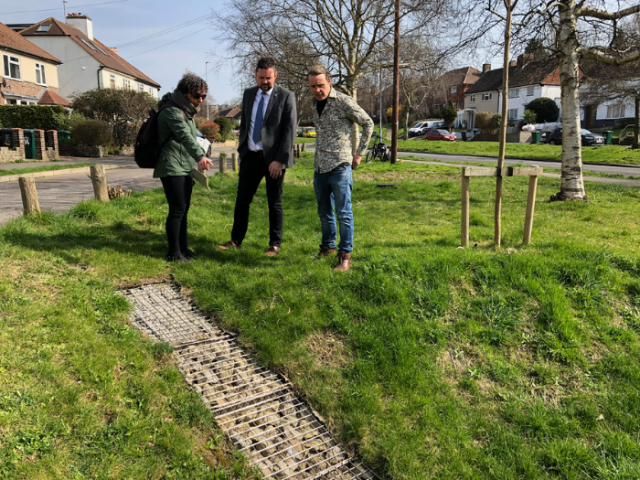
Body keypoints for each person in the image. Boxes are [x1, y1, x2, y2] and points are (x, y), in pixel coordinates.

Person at [218, 57, 297, 256]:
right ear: (255, 75)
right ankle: (236, 240)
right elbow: (245, 123)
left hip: (274, 161)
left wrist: (280, 159)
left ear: (275, 75)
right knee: (242, 200)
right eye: (261, 77)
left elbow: (289, 130)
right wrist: (242, 149)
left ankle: (274, 244)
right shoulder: (248, 94)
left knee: (274, 202)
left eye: (268, 78)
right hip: (250, 157)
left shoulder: (286, 96)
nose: (264, 82)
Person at [308, 65, 373, 272]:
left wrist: (360, 152)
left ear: (329, 81)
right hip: (320, 167)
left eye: (320, 85)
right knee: (324, 211)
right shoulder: (313, 104)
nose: (317, 90)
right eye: (312, 86)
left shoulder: (343, 102)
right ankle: (327, 247)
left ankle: (345, 254)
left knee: (343, 212)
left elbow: (368, 123)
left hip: (340, 166)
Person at [154, 72, 213, 262]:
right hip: (172, 166)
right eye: (197, 96)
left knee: (184, 209)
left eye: (203, 96)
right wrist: (200, 157)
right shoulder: (171, 111)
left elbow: (193, 137)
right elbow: (185, 137)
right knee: (177, 209)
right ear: (185, 93)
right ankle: (173, 253)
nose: (201, 100)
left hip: (184, 166)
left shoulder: (186, 111)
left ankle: (183, 248)